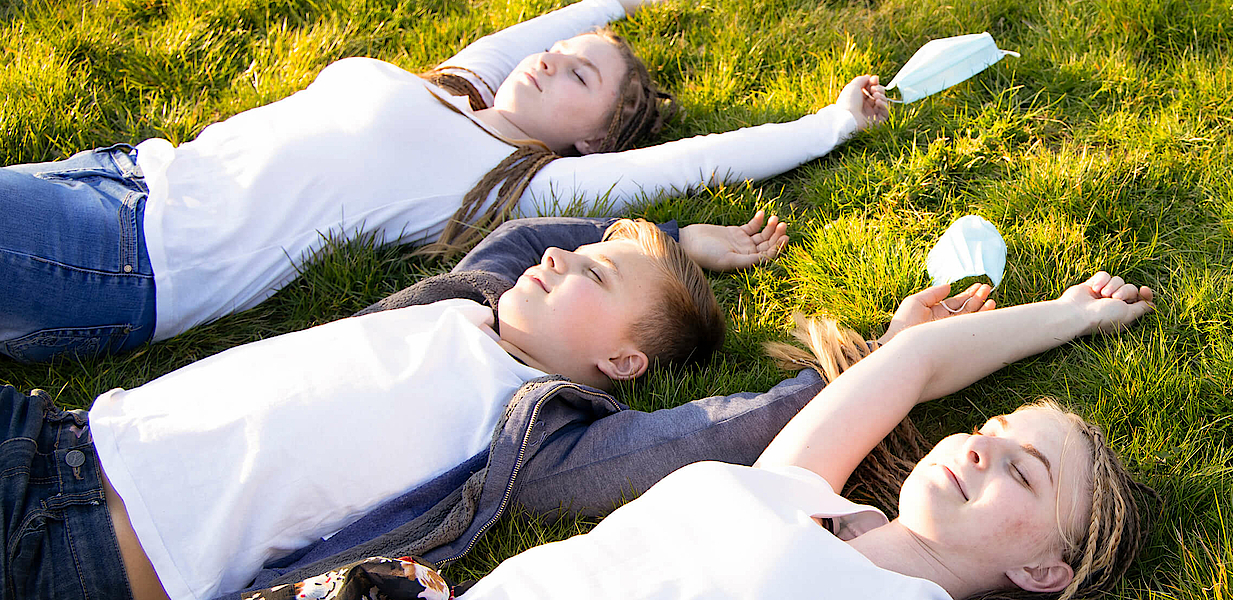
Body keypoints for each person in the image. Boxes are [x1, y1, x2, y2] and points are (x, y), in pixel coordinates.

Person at [0, 0, 891, 362]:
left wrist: (829, 126)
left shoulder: (512, 181)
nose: (548, 62)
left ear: (590, 148)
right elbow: (559, 19)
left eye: (581, 79)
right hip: (128, 177)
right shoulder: (460, 88)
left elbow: (693, 162)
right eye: (557, 57)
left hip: (136, 258)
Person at [249, 271, 1160, 600]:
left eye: (1025, 475)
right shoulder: (802, 488)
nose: (978, 449)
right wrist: (1069, 316)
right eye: (993, 431)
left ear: (1045, 573)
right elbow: (910, 367)